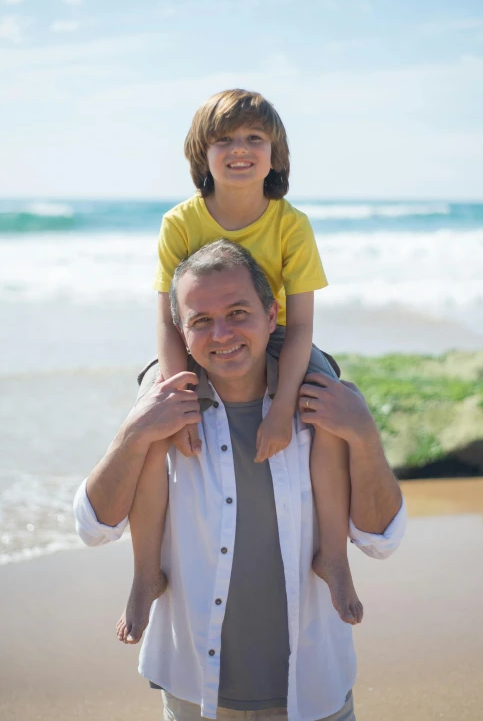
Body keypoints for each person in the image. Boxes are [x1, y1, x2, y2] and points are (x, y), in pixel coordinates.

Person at [74, 239, 406, 721]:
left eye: (237, 312)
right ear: (181, 334)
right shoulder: (166, 413)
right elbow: (93, 528)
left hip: (313, 688)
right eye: (201, 320)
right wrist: (133, 433)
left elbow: (381, 540)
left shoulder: (321, 404)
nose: (221, 333)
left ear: (273, 315)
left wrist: (365, 434)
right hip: (195, 691)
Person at [121, 88, 363, 645]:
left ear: (275, 153)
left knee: (326, 402)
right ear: (200, 154)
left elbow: (300, 326)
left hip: (273, 336)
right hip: (197, 338)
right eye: (224, 139)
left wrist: (282, 408)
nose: (240, 150)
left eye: (255, 138)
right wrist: (178, 395)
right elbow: (166, 320)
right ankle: (143, 574)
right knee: (152, 419)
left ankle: (333, 556)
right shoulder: (180, 222)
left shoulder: (290, 224)